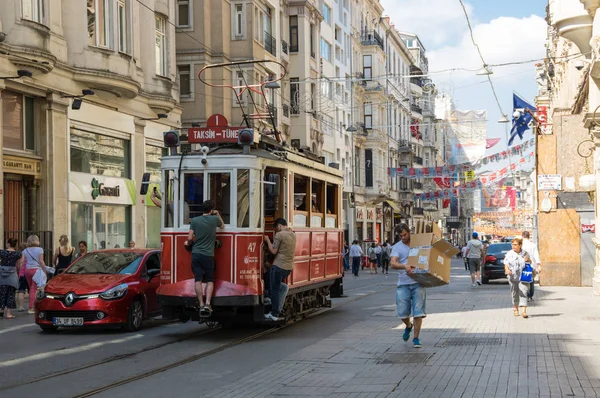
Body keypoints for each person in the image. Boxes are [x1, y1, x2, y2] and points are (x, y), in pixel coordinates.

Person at [185, 200, 224, 317]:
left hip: (196, 254)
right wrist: (217, 214)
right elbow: (222, 225)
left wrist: (192, 243)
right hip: (208, 255)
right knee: (209, 280)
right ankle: (207, 304)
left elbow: (190, 237)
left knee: (198, 279)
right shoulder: (214, 219)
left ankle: (201, 304)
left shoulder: (195, 220)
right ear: (211, 210)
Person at [390, 224, 426, 348]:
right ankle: (408, 325)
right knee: (402, 313)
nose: (403, 237)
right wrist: (404, 266)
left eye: (405, 234)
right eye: (400, 236)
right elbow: (393, 263)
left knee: (418, 312)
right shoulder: (397, 247)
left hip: (418, 283)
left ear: (409, 232)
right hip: (403, 284)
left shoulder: (418, 243)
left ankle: (416, 338)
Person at [263, 218, 296, 321]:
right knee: (278, 286)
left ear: (279, 226)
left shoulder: (280, 235)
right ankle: (274, 304)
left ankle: (274, 314)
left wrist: (267, 240)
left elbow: (273, 251)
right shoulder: (293, 234)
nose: (277, 230)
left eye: (277, 228)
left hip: (278, 266)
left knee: (275, 289)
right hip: (288, 267)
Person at [504, 237, 532, 318]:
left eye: (515, 245)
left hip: (523, 276)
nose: (513, 246)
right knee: (514, 292)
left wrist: (528, 260)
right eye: (512, 244)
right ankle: (515, 308)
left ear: (520, 245)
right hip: (513, 276)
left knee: (524, 291)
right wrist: (507, 270)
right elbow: (506, 263)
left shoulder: (525, 253)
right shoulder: (509, 253)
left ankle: (524, 311)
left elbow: (530, 262)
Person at [22, 235, 48, 314]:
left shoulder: (25, 250)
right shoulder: (40, 249)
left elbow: (22, 261)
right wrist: (44, 270)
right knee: (34, 289)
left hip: (27, 270)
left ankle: (32, 305)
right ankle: (31, 308)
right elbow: (41, 261)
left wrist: (20, 271)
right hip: (36, 270)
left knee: (31, 289)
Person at [0, 238, 23, 319]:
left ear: (8, 244)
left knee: (2, 293)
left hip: (2, 274)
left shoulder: (2, 252)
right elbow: (19, 265)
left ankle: (1, 310)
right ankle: (8, 313)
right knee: (10, 294)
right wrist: (19, 274)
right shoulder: (17, 254)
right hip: (12, 275)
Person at [521, 231, 541, 300]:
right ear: (529, 236)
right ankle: (530, 294)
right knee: (531, 280)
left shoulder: (521, 245)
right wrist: (538, 265)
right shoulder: (533, 245)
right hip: (531, 265)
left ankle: (525, 294)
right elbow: (536, 255)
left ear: (522, 236)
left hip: (522, 265)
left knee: (523, 280)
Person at [16, 242, 28, 312]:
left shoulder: (19, 255)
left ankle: (21, 306)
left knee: (21, 290)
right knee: (32, 290)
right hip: (29, 273)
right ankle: (31, 307)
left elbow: (18, 266)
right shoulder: (29, 253)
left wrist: (18, 274)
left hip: (22, 274)